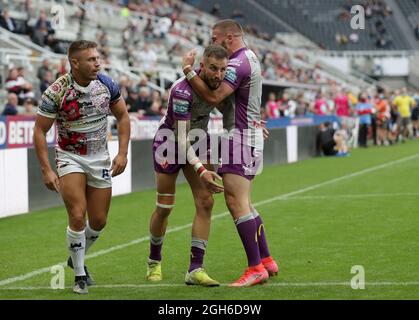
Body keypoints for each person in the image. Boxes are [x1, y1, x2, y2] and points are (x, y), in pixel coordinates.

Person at [182, 19, 278, 287]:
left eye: (215, 37)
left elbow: (214, 98)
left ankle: (255, 268)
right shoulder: (250, 57)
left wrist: (189, 72)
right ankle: (266, 260)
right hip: (247, 134)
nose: (212, 42)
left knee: (236, 202)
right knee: (244, 201)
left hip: (240, 137)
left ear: (229, 38)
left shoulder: (237, 63)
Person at [33, 40, 130, 294]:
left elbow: (122, 116)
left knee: (98, 221)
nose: (97, 63)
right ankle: (79, 275)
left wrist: (122, 153)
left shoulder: (107, 85)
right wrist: (46, 169)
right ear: (74, 63)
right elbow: (40, 131)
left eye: (98, 58)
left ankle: (75, 255)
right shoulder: (56, 91)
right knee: (77, 214)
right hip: (70, 157)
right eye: (91, 59)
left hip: (99, 158)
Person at [146, 45, 228, 287]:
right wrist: (202, 170)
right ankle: (154, 260)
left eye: (223, 69)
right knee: (164, 207)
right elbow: (181, 138)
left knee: (206, 201)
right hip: (170, 142)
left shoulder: (219, 86)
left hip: (198, 139)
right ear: (201, 67)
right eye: (213, 68)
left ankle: (195, 268)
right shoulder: (182, 91)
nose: (218, 75)